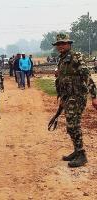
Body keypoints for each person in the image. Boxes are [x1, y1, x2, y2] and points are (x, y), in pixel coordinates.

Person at [53, 33, 97, 168]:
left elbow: (86, 76)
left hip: (78, 95)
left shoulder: (76, 56)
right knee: (70, 124)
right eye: (58, 44)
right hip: (68, 96)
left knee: (73, 124)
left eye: (63, 43)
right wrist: (61, 98)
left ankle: (82, 155)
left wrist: (94, 96)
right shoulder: (61, 59)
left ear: (69, 44)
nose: (60, 46)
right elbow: (60, 81)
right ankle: (77, 151)